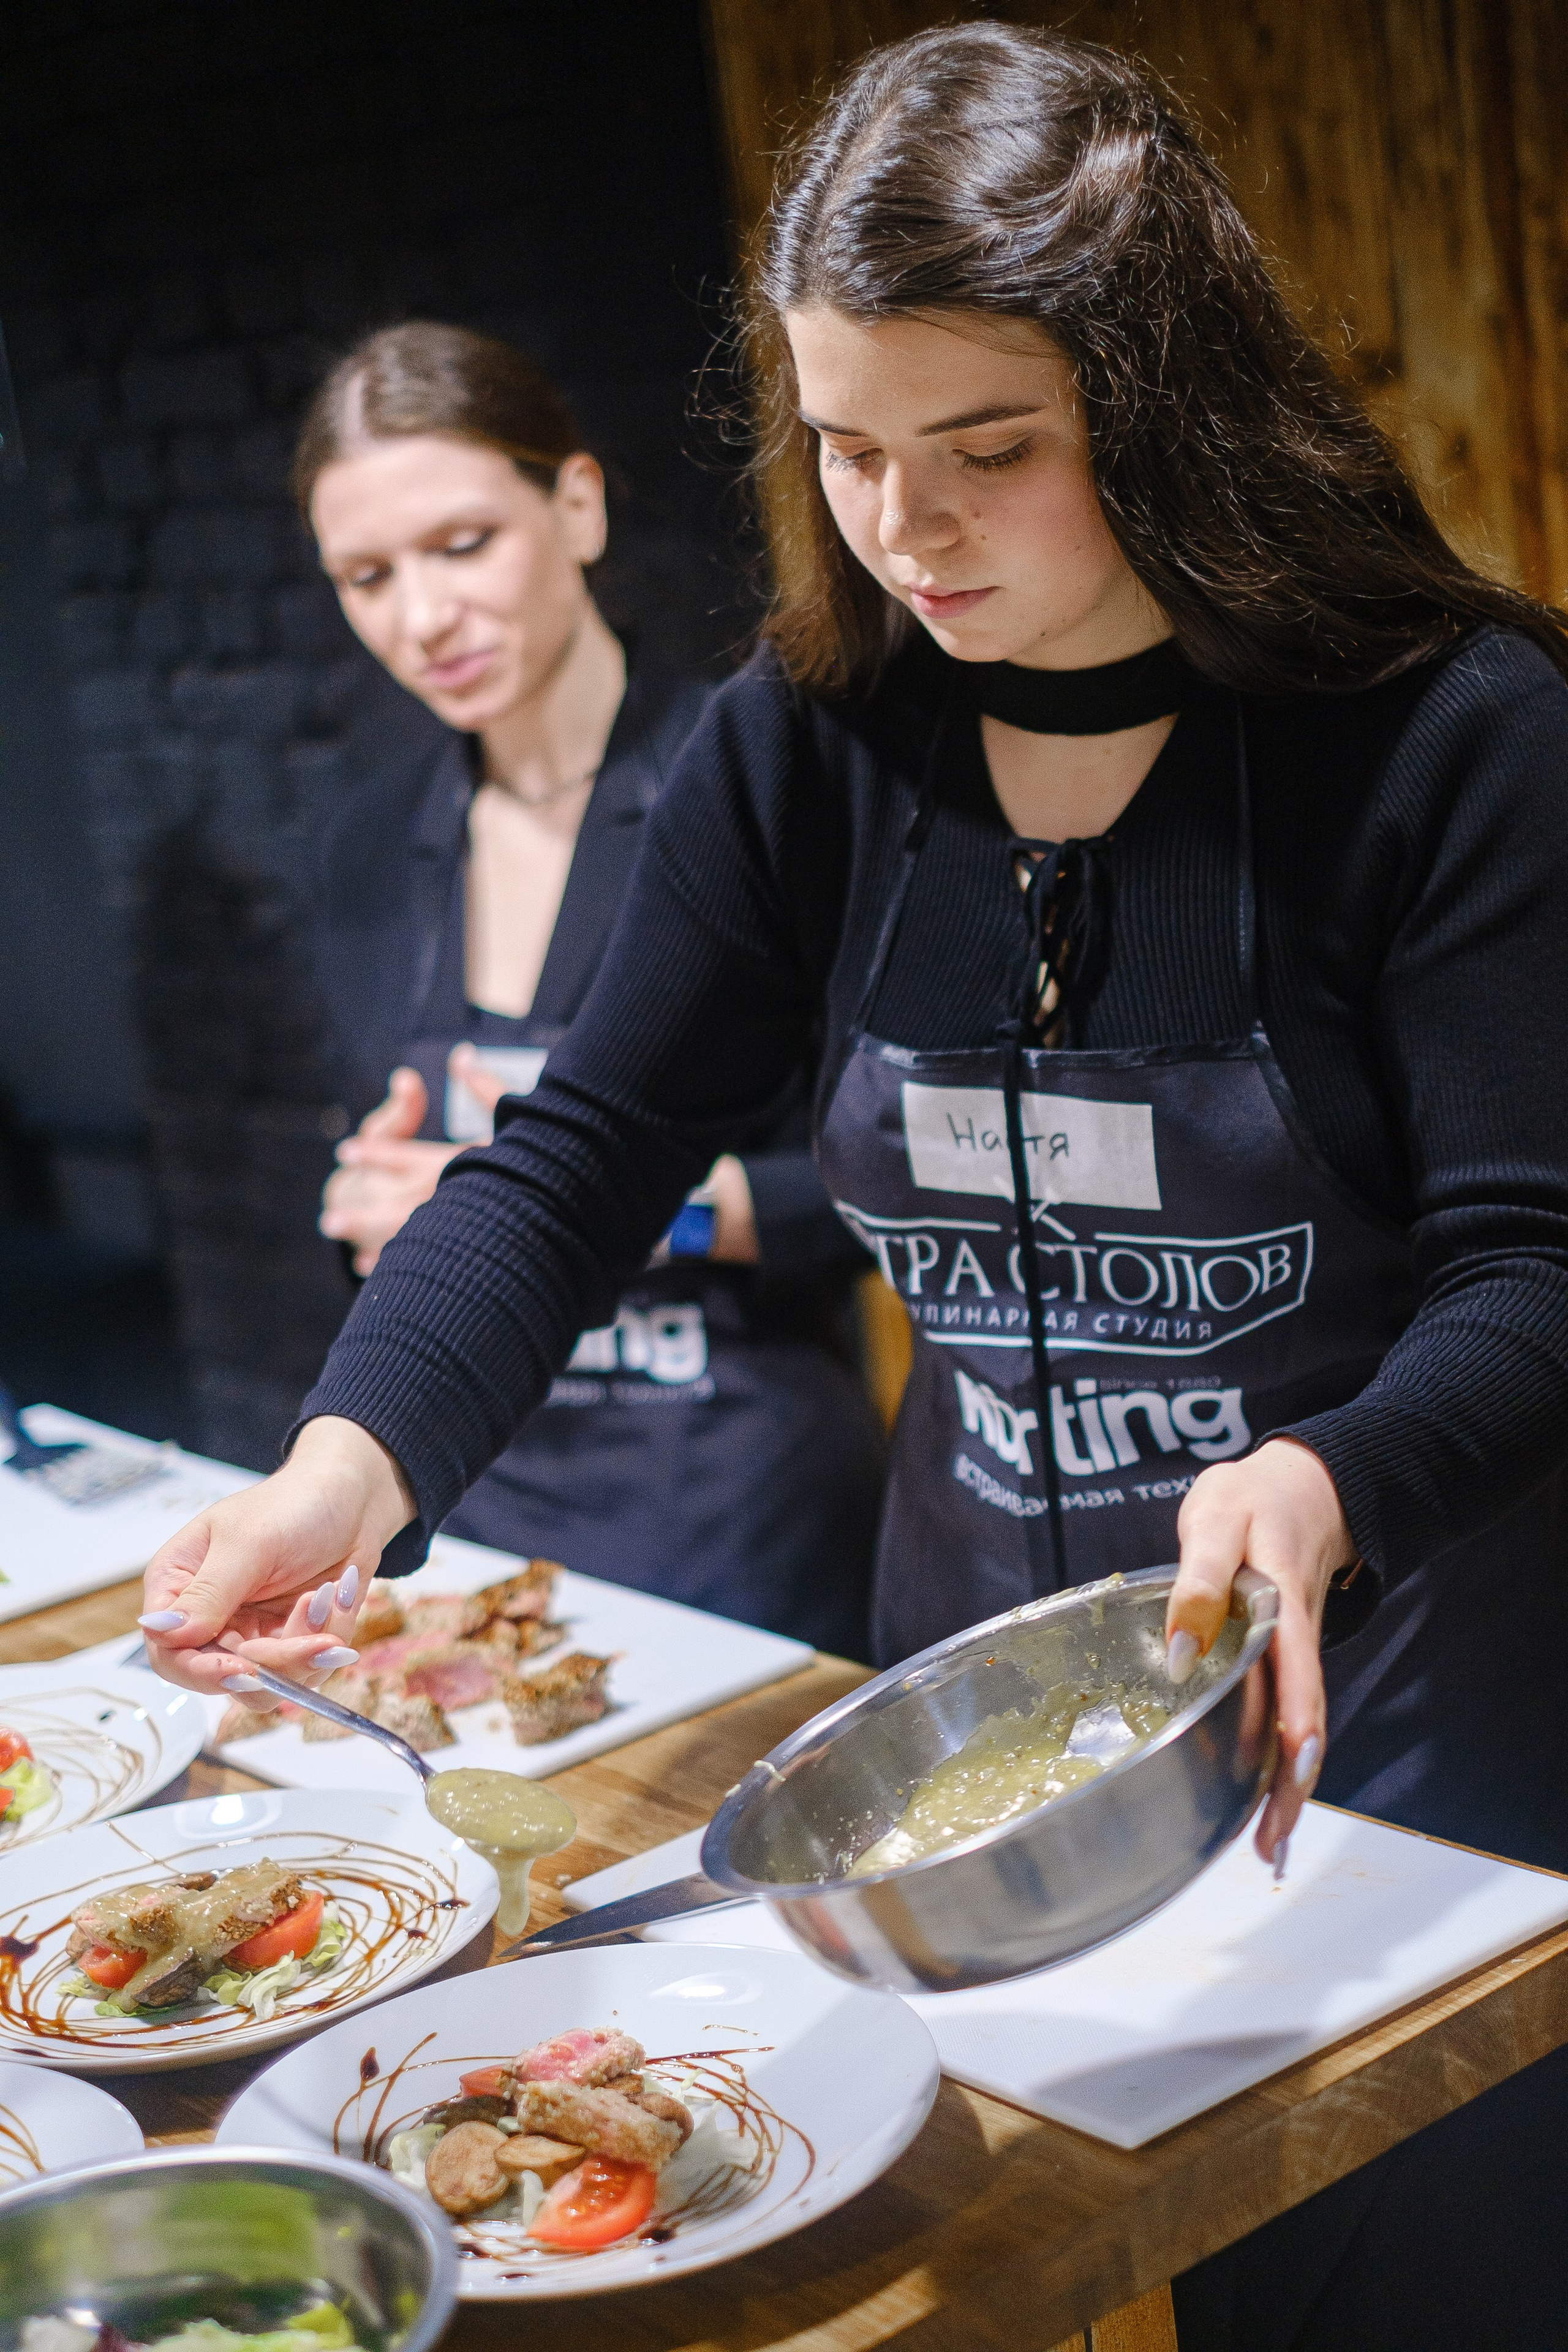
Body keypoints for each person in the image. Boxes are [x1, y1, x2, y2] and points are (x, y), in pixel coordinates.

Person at [139, 30, 1568, 2346]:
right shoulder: (803, 754)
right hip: (981, 1762)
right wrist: (346, 1470)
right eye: (849, 449)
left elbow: (1535, 1264)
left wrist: (1334, 1475)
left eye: (991, 452)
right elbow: (581, 1157)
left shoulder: (1451, 745)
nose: (906, 529)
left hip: (1391, 1728)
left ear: (1165, 406)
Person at [285, 322, 884, 1654]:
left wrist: (585, 1209)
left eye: (460, 544)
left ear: (576, 503)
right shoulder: (367, 847)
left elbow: (885, 1187)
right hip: (479, 1495)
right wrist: (372, 1205)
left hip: (740, 1499)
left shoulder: (753, 783)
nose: (422, 617)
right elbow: (402, 1169)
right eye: (366, 576)